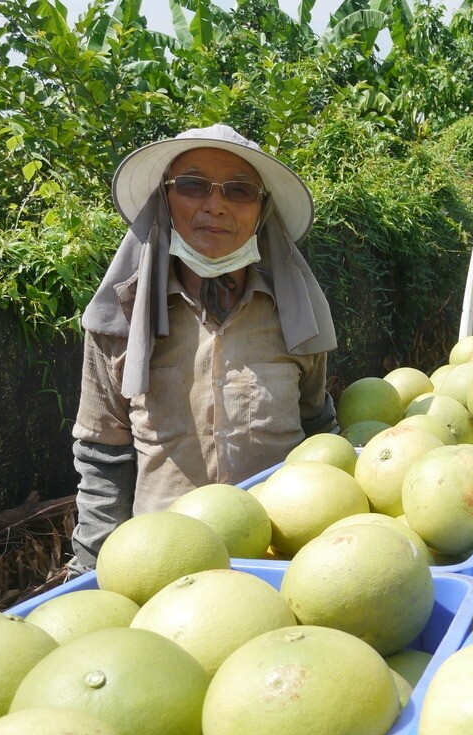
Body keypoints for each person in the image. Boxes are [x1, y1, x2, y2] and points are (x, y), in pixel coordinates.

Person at [69, 124, 338, 572]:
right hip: (162, 568)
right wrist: (92, 571)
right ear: (165, 200)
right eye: (193, 186)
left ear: (262, 211)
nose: (215, 205)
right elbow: (102, 456)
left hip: (284, 563)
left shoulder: (296, 318)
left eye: (239, 191)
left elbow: (318, 430)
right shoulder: (118, 324)